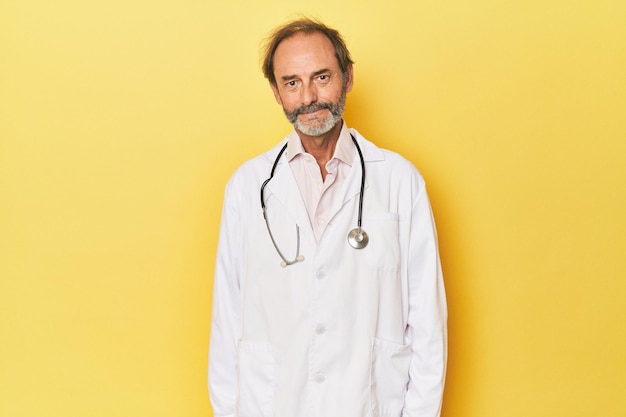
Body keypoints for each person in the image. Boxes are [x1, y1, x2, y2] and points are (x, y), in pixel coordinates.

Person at [208, 18, 447, 417]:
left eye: (322, 76)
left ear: (348, 77)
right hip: (273, 404)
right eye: (292, 82)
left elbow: (428, 325)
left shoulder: (399, 180)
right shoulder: (248, 187)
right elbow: (226, 323)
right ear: (276, 92)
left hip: (367, 404)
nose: (309, 96)